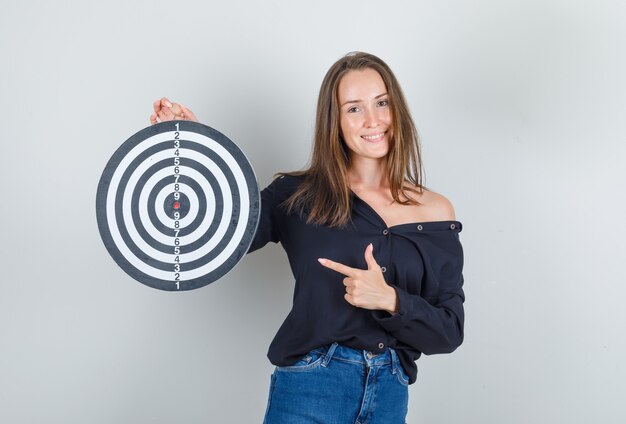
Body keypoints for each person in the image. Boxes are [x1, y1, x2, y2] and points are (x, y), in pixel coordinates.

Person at [150, 52, 465, 424]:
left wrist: (390, 299)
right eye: (353, 109)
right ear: (335, 121)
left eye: (381, 103)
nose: (372, 120)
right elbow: (224, 232)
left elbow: (449, 331)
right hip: (311, 390)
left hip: (388, 398)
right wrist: (199, 148)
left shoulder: (435, 211)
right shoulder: (297, 195)